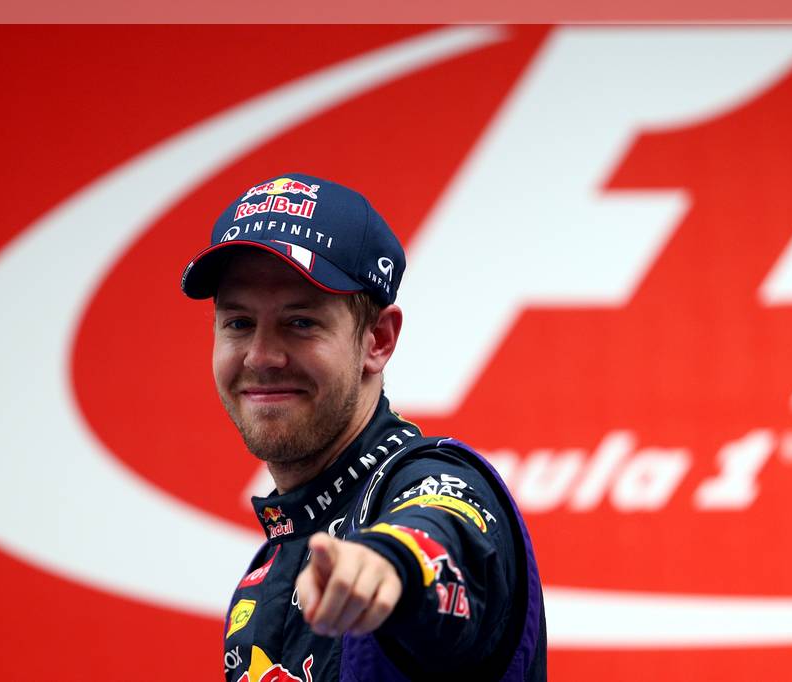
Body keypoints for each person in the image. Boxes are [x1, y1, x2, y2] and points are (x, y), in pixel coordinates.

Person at [181, 173, 546, 681]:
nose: (261, 356)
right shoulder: (268, 569)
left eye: (300, 322)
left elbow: (440, 529)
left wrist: (389, 564)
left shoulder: (434, 480)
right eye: (239, 323)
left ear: (378, 339)